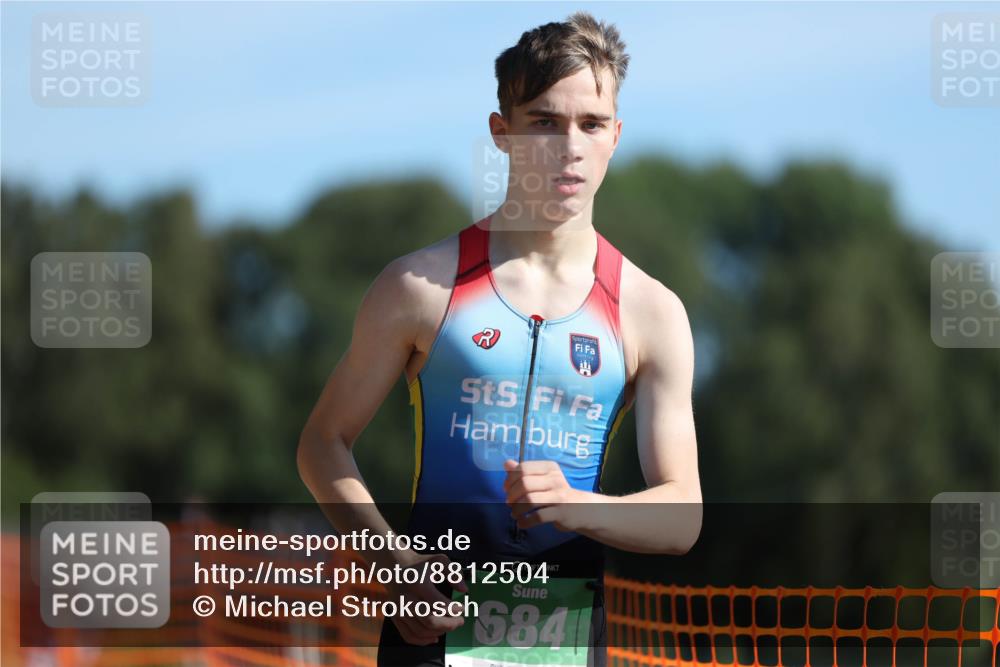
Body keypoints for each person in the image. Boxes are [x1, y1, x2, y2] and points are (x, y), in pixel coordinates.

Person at [298, 11, 702, 667]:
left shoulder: (651, 311)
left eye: (591, 124)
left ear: (615, 136)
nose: (569, 145)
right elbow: (322, 441)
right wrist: (394, 563)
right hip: (431, 635)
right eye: (544, 121)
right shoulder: (419, 285)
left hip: (567, 644)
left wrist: (577, 505)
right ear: (502, 133)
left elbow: (682, 513)